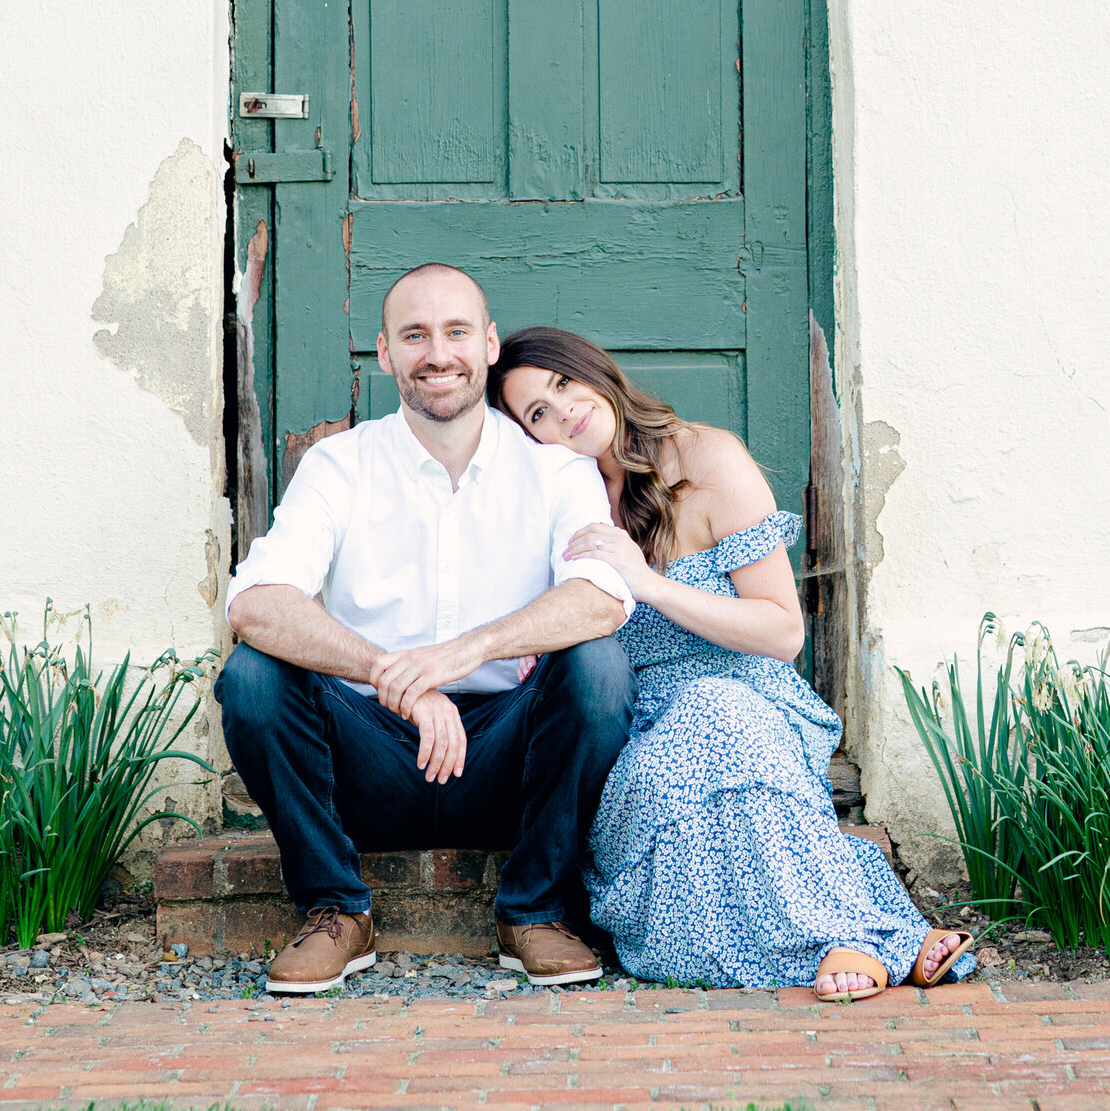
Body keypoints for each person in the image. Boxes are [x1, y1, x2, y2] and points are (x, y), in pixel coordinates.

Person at [489, 330, 976, 1001]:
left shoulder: (706, 459)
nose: (563, 410)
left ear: (595, 373)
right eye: (537, 413)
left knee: (717, 710)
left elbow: (782, 632)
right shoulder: (562, 502)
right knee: (690, 744)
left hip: (753, 704)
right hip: (640, 734)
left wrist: (651, 584)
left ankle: (853, 936)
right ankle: (880, 935)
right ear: (529, 438)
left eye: (563, 384)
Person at [217, 265, 634, 996]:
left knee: (598, 666)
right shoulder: (340, 465)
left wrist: (459, 654)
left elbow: (600, 596)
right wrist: (397, 679)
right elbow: (256, 600)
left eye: (455, 332)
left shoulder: (554, 470)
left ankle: (535, 911)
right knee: (253, 676)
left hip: (508, 758)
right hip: (368, 756)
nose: (437, 353)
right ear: (385, 353)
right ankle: (337, 910)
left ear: (490, 344)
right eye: (415, 335)